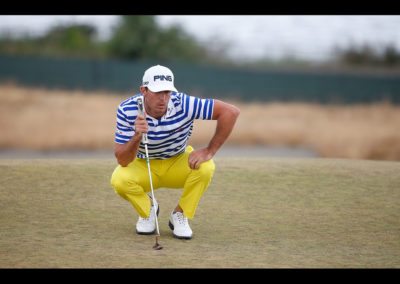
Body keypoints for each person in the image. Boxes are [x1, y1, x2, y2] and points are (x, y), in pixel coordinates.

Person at [110, 64, 240, 240]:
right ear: (144, 90)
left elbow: (230, 112)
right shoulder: (127, 109)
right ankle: (148, 210)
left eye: (167, 92)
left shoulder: (183, 103)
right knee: (119, 180)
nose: (163, 99)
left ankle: (180, 215)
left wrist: (210, 150)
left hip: (177, 160)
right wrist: (136, 136)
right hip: (143, 164)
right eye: (158, 92)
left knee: (206, 167)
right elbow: (123, 160)